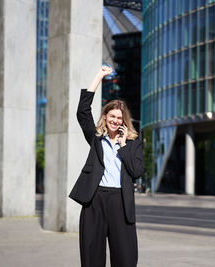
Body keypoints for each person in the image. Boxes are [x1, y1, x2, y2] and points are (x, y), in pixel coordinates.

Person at [69, 66, 144, 267]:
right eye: (112, 116)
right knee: (91, 256)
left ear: (123, 121)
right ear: (105, 117)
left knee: (126, 258)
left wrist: (123, 146)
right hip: (95, 201)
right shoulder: (96, 138)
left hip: (121, 202)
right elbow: (82, 111)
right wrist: (99, 76)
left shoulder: (133, 142)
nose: (115, 120)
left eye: (119, 118)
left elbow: (137, 172)